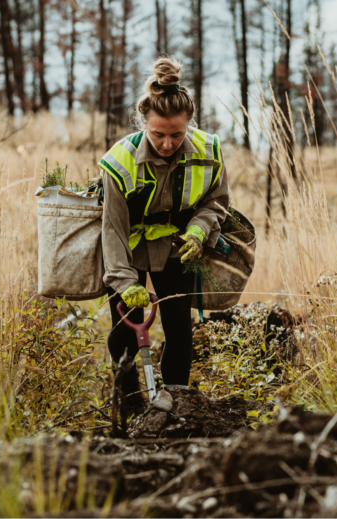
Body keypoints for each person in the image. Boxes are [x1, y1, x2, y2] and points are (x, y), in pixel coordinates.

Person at [97, 56, 229, 417]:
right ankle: (127, 408)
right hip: (130, 252)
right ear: (143, 124)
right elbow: (113, 230)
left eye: (176, 134)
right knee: (124, 333)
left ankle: (177, 406)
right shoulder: (119, 163)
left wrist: (199, 231)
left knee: (179, 329)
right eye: (158, 134)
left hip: (178, 248)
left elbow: (216, 203)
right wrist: (124, 283)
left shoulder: (209, 153)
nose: (168, 143)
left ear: (189, 124)